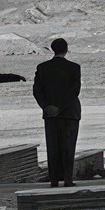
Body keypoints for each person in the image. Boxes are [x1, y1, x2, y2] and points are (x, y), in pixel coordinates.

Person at [32, 38, 81, 187]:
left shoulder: (42, 67)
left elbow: (37, 91)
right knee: (68, 147)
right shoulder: (74, 67)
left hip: (50, 115)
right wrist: (60, 107)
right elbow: (74, 91)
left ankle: (54, 179)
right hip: (69, 114)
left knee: (53, 147)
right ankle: (67, 179)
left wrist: (47, 107)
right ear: (66, 49)